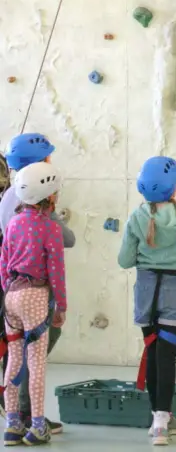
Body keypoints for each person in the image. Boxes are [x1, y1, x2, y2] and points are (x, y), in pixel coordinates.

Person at [118, 157, 176, 447]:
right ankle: (161, 421)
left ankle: (158, 417)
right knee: (167, 353)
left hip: (146, 290)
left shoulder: (137, 217)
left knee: (152, 349)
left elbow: (125, 260)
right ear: (174, 187)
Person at [1, 134, 74, 436]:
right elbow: (56, 270)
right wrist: (61, 306)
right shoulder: (49, 225)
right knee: (36, 361)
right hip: (36, 295)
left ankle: (12, 424)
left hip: (11, 295)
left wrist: (7, 291)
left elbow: (4, 262)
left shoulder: (11, 212)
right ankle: (37, 424)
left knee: (13, 359)